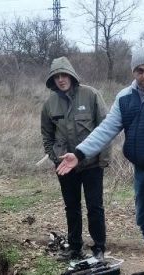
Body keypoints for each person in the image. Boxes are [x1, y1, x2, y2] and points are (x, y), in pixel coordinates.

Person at [57, 47, 144, 275]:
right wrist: (80, 153)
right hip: (141, 168)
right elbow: (106, 129)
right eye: (140, 70)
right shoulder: (125, 97)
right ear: (133, 71)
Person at [41, 56, 109, 261]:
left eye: (64, 75)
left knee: (94, 206)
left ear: (71, 75)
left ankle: (99, 248)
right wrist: (55, 158)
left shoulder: (91, 95)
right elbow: (46, 135)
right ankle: (75, 248)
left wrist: (103, 159)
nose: (61, 79)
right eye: (56, 77)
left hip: (91, 163)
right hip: (65, 166)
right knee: (71, 206)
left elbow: (105, 128)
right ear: (52, 80)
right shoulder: (49, 104)